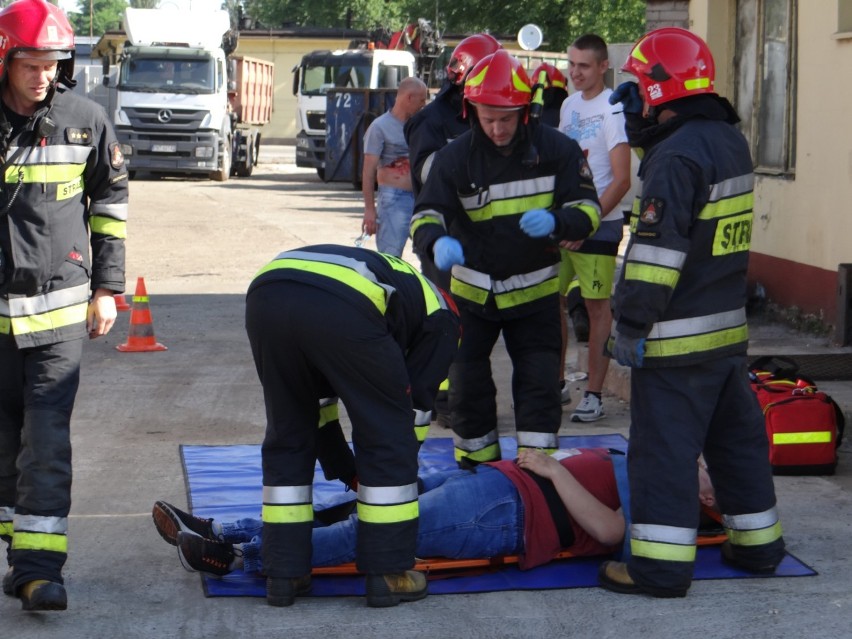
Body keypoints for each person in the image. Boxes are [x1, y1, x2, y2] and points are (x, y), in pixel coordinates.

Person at [599, 27, 785, 598]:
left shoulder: (676, 157)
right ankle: (758, 547)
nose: (631, 93)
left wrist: (629, 325)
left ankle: (658, 568)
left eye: (637, 83)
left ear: (661, 86)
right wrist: (644, 128)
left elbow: (657, 256)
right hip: (725, 332)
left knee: (662, 454)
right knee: (735, 444)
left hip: (676, 342)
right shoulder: (728, 141)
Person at [410, 49, 600, 467]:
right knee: (467, 392)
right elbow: (426, 213)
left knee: (538, 391)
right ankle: (478, 474)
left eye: (507, 119)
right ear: (471, 110)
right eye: (488, 118)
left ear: (525, 112)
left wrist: (558, 221)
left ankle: (540, 479)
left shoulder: (557, 150)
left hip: (534, 298)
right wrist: (435, 242)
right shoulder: (455, 157)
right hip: (472, 298)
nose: (497, 129)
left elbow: (589, 209)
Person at [0, 0, 128, 612]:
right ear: (4, 59)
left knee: (46, 439)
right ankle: (19, 546)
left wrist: (107, 288)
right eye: (29, 62)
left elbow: (110, 201)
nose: (42, 74)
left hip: (57, 317)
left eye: (52, 62)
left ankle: (39, 571)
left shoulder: (85, 120)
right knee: (4, 444)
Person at [244, 245, 460, 608]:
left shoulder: (401, 288)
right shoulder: (446, 320)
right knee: (387, 436)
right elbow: (409, 412)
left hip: (268, 293)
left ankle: (284, 571)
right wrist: (393, 472)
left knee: (289, 432)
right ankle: (390, 573)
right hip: (341, 304)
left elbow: (319, 409)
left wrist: (348, 470)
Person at [150, 450, 720, 577]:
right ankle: (224, 528)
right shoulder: (657, 467)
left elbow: (609, 531)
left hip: (507, 510)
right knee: (354, 506)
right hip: (497, 485)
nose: (697, 462)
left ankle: (240, 556)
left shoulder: (667, 504)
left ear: (709, 500)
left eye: (707, 470)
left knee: (368, 531)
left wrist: (554, 470)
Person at [404, 33, 502, 430]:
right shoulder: (431, 121)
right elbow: (426, 175)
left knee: (478, 323)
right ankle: (439, 397)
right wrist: (468, 154)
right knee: (445, 319)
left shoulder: (489, 113)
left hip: (484, 239)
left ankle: (464, 395)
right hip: (443, 239)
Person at [557, 34, 631, 420]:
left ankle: (594, 395)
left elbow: (621, 180)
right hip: (563, 224)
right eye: (572, 64)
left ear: (604, 66)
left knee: (596, 308)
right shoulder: (568, 106)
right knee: (550, 303)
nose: (575, 72)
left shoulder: (613, 109)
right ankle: (556, 387)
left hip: (598, 228)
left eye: (584, 66)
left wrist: (587, 224)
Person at [361, 77, 428, 256]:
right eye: (421, 99)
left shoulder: (421, 126)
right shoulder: (379, 127)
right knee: (390, 257)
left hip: (421, 198)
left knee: (429, 256)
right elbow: (368, 172)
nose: (424, 104)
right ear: (408, 98)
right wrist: (369, 210)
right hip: (394, 201)